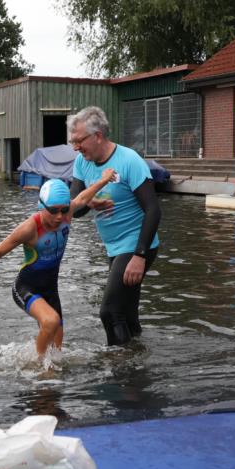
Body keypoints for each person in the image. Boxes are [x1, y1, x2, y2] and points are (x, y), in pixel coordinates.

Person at [0, 169, 116, 358]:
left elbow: (83, 198)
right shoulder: (30, 229)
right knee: (51, 322)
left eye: (64, 209)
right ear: (41, 206)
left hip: (51, 290)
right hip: (26, 287)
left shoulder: (67, 214)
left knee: (57, 351)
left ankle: (45, 374)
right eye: (53, 211)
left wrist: (103, 182)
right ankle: (37, 365)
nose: (59, 216)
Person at [68, 106, 161, 346]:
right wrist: (91, 203)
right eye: (73, 142)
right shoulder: (82, 162)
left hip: (137, 244)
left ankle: (120, 368)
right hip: (114, 247)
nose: (76, 147)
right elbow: (74, 210)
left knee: (109, 312)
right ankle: (137, 361)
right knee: (127, 313)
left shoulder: (129, 160)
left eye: (79, 141)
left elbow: (153, 209)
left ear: (97, 135)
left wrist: (139, 256)